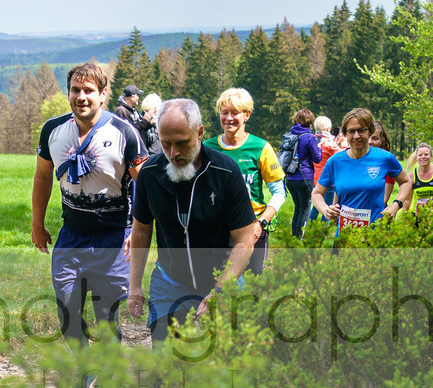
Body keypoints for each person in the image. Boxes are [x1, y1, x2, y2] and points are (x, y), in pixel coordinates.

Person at [32, 62, 147, 347]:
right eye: (75, 90)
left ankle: (105, 385)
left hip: (113, 238)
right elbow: (43, 176)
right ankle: (84, 375)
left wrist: (138, 230)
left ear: (103, 94)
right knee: (67, 316)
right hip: (71, 236)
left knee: (106, 319)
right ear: (68, 92)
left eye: (88, 90)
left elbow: (145, 187)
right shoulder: (53, 130)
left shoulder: (125, 132)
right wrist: (37, 223)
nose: (81, 97)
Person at [127, 99, 259, 343]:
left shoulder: (226, 172)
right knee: (164, 364)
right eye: (166, 144)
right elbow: (142, 231)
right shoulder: (149, 174)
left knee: (228, 362)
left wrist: (221, 289)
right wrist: (135, 286)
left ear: (199, 133)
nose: (174, 153)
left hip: (222, 278)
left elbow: (244, 240)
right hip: (170, 282)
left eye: (182, 143)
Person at [205, 87, 285, 272]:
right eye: (224, 113)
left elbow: (279, 192)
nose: (229, 118)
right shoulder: (207, 149)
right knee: (217, 288)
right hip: (217, 231)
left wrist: (262, 222)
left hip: (253, 229)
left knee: (252, 290)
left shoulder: (261, 147)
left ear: (247, 115)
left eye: (235, 113)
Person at [311, 107, 412, 240]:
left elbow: (405, 181)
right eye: (351, 131)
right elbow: (316, 193)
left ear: (369, 131)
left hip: (375, 235)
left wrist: (396, 204)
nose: (356, 136)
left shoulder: (385, 158)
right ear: (345, 134)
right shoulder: (335, 161)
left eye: (361, 130)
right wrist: (325, 210)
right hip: (344, 237)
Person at [284, 109, 323, 239]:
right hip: (304, 177)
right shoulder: (309, 137)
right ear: (310, 122)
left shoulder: (290, 135)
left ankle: (294, 237)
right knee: (305, 208)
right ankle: (301, 237)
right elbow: (317, 158)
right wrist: (319, 148)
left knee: (297, 208)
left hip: (290, 177)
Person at [307, 115, 341, 225]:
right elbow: (342, 156)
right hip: (327, 180)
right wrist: (343, 143)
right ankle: (322, 232)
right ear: (327, 129)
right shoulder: (329, 143)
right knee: (327, 207)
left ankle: (309, 229)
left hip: (315, 179)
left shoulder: (312, 140)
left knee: (316, 206)